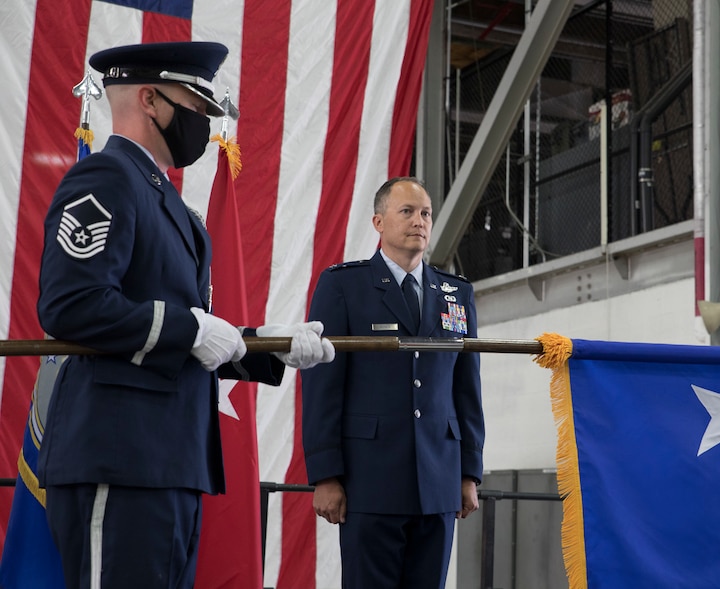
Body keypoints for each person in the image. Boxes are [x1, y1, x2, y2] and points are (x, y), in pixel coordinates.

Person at [36, 41, 335, 589]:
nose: (205, 122)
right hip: (119, 456)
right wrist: (190, 328)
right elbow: (69, 305)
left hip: (169, 461)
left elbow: (191, 332)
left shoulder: (170, 205)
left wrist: (264, 344)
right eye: (197, 106)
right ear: (150, 100)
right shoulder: (106, 178)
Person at [301, 177, 485, 588]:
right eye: (407, 212)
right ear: (379, 222)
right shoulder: (343, 286)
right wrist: (326, 474)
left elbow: (466, 389)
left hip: (439, 481)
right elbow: (322, 385)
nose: (419, 221)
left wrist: (469, 472)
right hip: (370, 480)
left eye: (425, 213)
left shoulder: (455, 294)